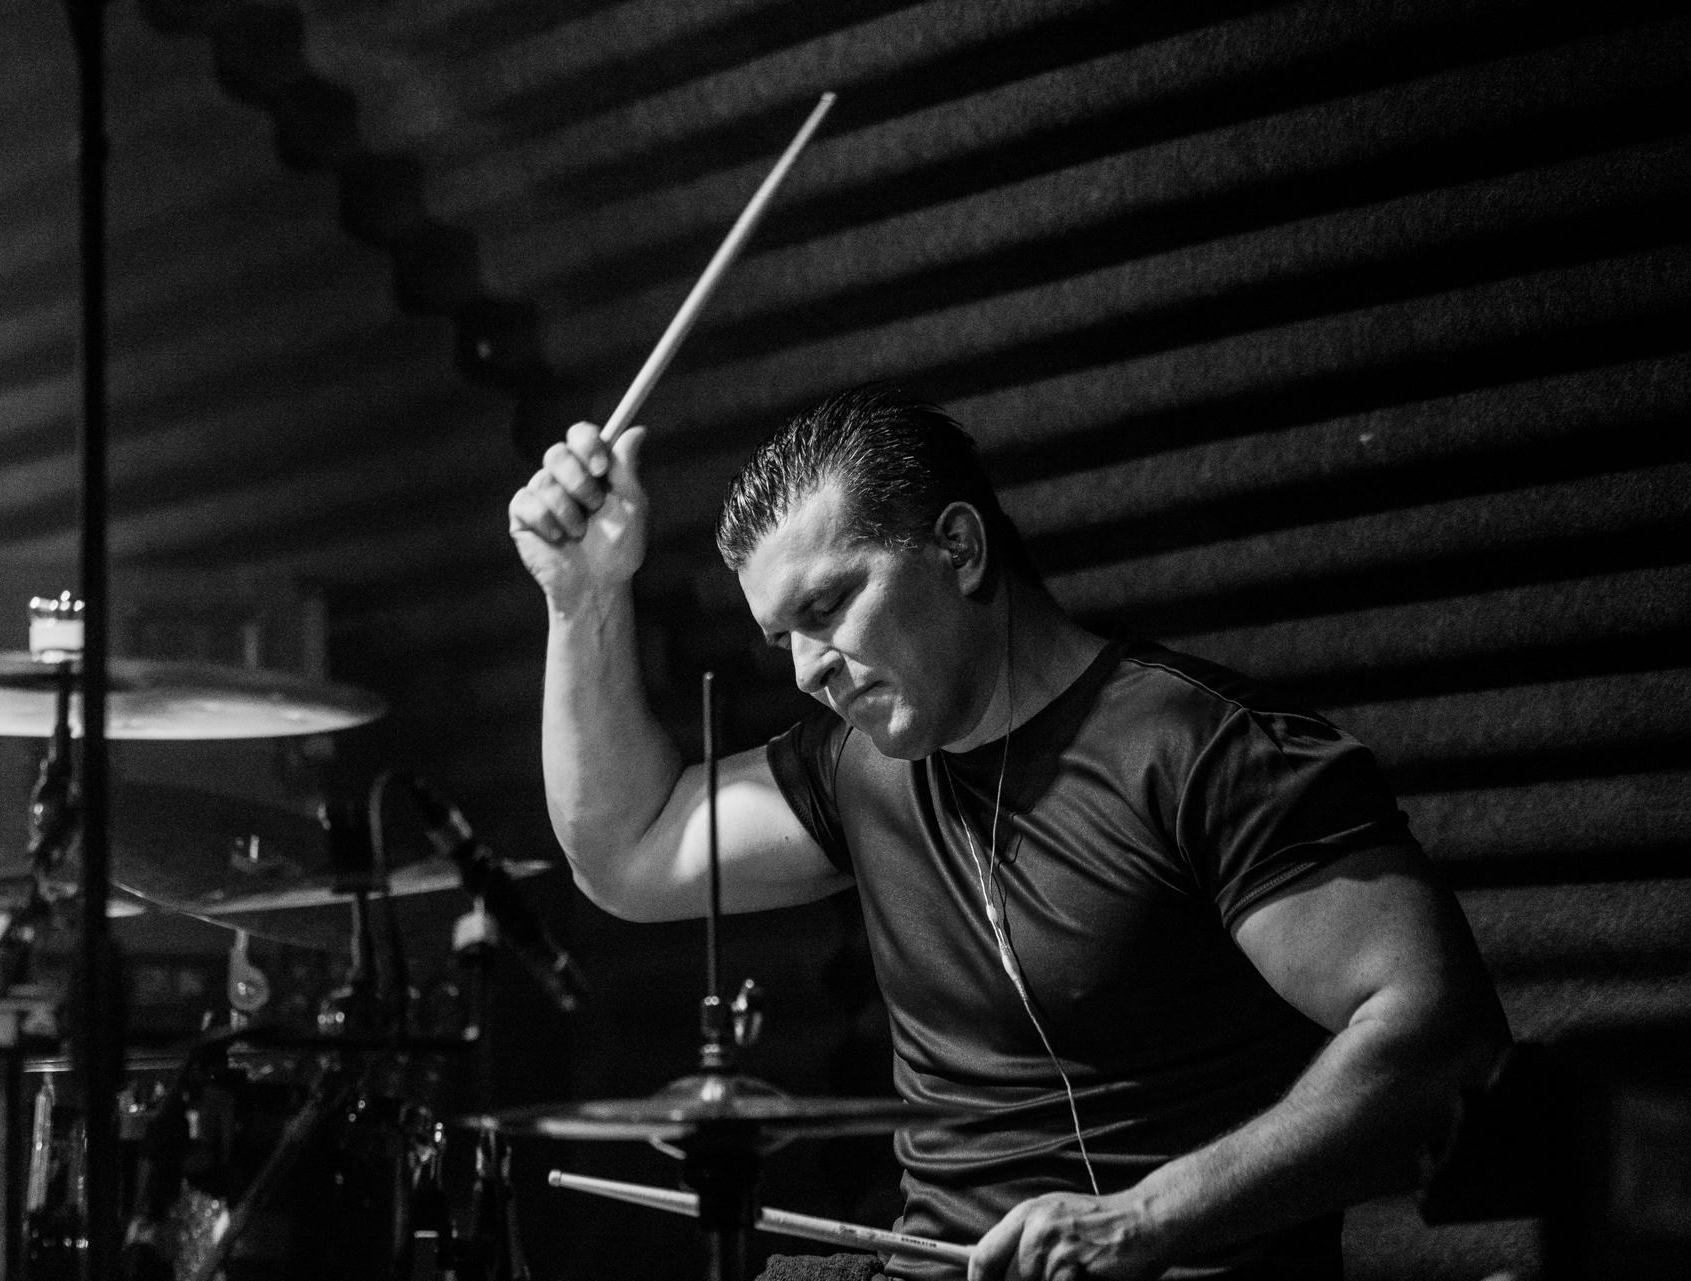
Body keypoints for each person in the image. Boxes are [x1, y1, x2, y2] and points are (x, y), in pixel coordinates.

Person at [507, 386, 1509, 1281]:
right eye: (785, 639)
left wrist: (1143, 1218)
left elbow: (1441, 1042)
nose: (808, 668)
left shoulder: (1200, 749)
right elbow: (626, 850)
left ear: (960, 548)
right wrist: (581, 595)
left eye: (829, 604)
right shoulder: (861, 767)